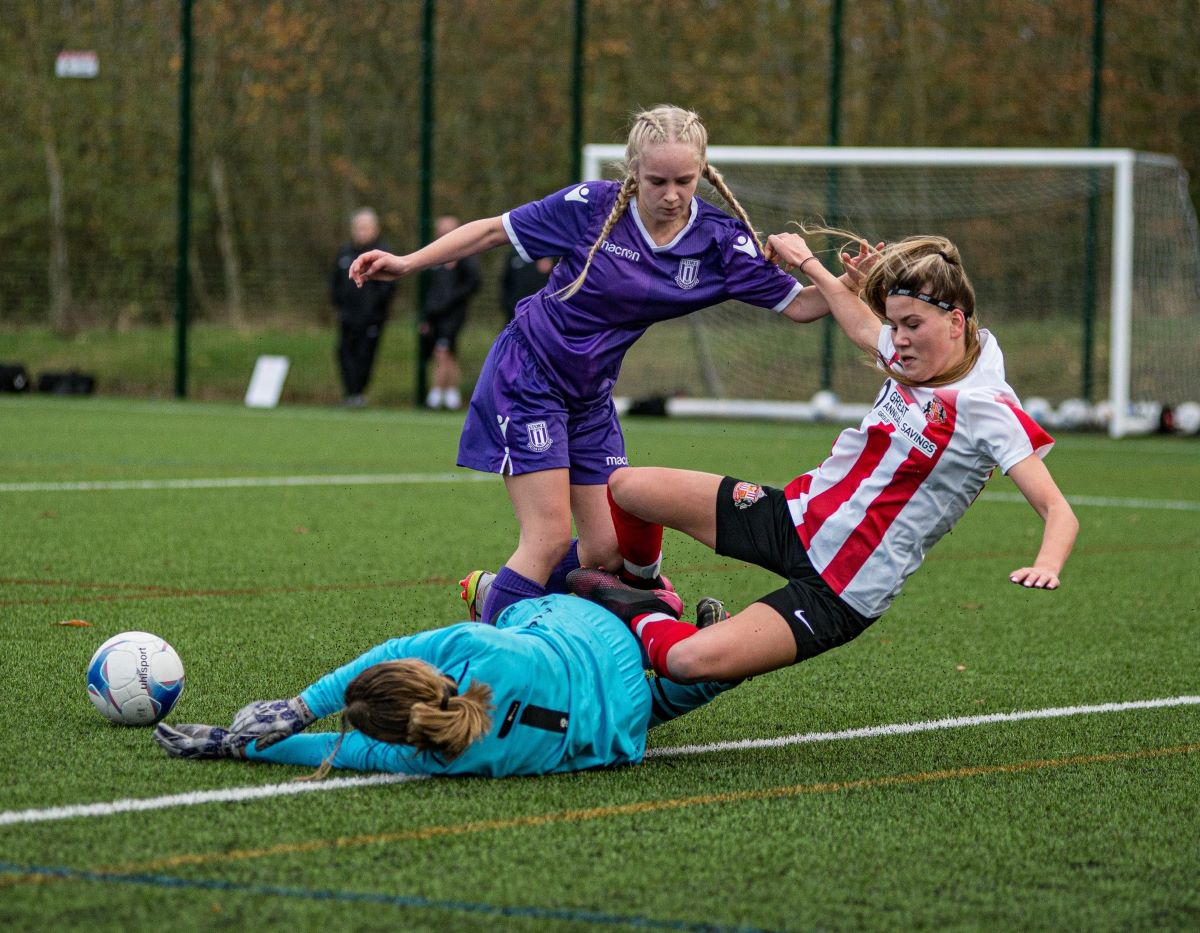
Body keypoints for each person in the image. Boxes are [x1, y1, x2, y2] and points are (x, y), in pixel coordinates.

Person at [350, 105, 860, 625]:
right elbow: (491, 232)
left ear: (703, 171)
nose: (670, 194)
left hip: (590, 397)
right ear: (633, 172)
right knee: (546, 540)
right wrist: (407, 263)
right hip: (528, 375)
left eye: (684, 181)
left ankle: (498, 594)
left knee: (609, 552)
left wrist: (851, 282)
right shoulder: (592, 210)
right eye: (656, 180)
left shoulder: (719, 241)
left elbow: (800, 305)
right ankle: (483, 671)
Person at [600, 232, 1080, 685]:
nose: (899, 339)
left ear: (956, 322)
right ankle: (651, 591)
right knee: (628, 489)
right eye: (895, 325)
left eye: (912, 325)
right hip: (791, 517)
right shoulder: (919, 352)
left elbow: (1058, 510)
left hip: (841, 586)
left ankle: (645, 619)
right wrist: (817, 267)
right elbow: (856, 322)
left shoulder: (985, 407)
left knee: (685, 661)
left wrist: (1048, 563)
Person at [153, 588, 736, 778]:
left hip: (619, 729)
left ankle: (714, 668)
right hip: (598, 633)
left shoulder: (433, 759)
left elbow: (331, 751)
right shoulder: (466, 646)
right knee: (524, 596)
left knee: (622, 711)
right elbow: (389, 652)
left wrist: (241, 743)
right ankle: (656, 607)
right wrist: (303, 703)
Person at [331, 208, 395, 408]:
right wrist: (340, 302)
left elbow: (387, 287)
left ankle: (358, 393)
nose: (360, 232)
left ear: (374, 229)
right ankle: (349, 393)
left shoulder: (381, 254)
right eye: (357, 228)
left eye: (365, 228)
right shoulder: (345, 252)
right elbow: (334, 282)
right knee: (343, 353)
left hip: (371, 318)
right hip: (347, 316)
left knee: (365, 356)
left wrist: (373, 308)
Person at [421, 216, 481, 410]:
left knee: (443, 351)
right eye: (441, 230)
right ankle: (450, 393)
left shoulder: (465, 255)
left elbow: (473, 282)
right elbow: (429, 289)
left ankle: (438, 395)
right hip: (434, 315)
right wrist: (427, 315)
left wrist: (451, 300)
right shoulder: (433, 256)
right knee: (444, 353)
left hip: (453, 314)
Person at [501, 249, 555, 324]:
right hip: (515, 314)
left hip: (543, 316)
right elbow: (506, 281)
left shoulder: (554, 253)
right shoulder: (516, 252)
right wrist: (508, 305)